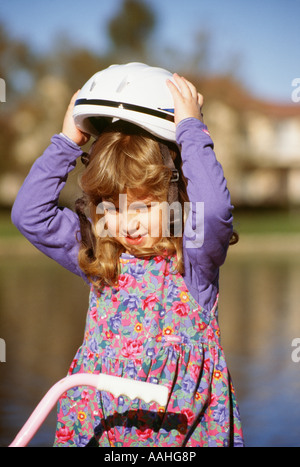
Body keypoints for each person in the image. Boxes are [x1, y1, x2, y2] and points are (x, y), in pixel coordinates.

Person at [11, 64, 244, 447]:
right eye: (112, 206)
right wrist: (68, 140)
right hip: (100, 429)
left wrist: (189, 129)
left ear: (174, 200)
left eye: (142, 207)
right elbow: (29, 215)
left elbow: (214, 210)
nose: (125, 223)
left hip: (176, 436)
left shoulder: (193, 260)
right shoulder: (102, 254)